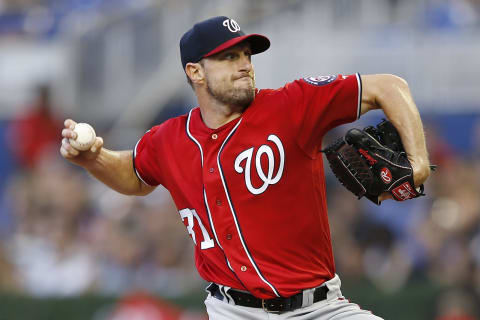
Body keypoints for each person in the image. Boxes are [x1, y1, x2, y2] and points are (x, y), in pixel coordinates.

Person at [60, 16, 431, 319]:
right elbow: (135, 175)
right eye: (228, 57)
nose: (244, 65)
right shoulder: (168, 138)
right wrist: (95, 158)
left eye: (246, 55)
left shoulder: (292, 105)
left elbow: (388, 87)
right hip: (232, 312)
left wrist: (418, 163)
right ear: (195, 72)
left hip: (318, 309)